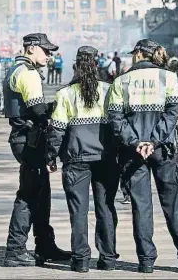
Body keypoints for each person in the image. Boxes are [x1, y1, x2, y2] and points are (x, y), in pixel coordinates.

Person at [107, 39, 178, 274]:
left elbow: (115, 118)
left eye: (134, 53)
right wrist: (153, 141)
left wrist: (136, 142)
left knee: (141, 206)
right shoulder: (168, 77)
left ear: (140, 54)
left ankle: (146, 261)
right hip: (163, 149)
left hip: (132, 153)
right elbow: (172, 114)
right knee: (173, 205)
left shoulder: (121, 81)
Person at [46, 46, 120, 273]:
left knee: (78, 210)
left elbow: (57, 130)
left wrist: (51, 156)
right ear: (97, 65)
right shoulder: (110, 90)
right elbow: (118, 126)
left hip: (75, 158)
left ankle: (80, 260)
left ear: (76, 66)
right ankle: (107, 259)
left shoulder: (65, 94)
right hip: (106, 159)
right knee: (105, 208)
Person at [2, 33, 71, 267]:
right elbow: (39, 110)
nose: (49, 55)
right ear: (31, 49)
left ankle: (45, 245)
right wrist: (62, 103)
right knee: (29, 196)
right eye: (46, 50)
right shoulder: (28, 73)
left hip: (25, 139)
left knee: (41, 194)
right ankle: (15, 249)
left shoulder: (16, 69)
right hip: (28, 140)